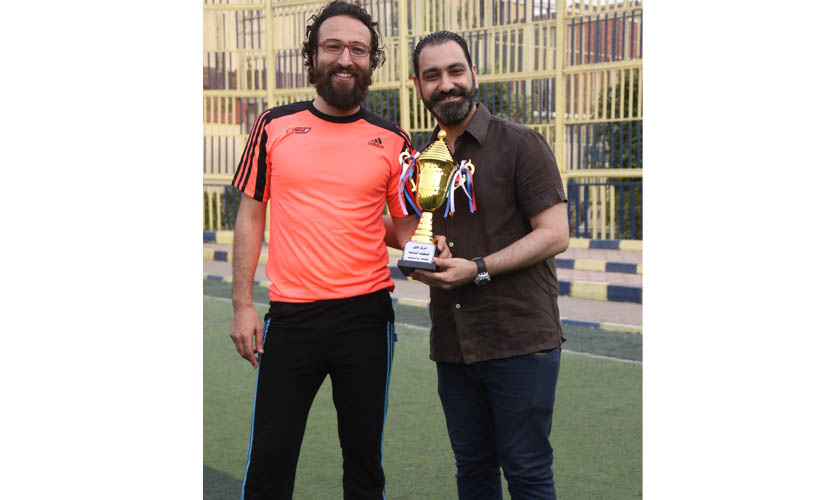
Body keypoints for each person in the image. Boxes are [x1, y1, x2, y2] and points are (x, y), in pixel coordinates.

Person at [228, 2, 423, 498]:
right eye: (333, 46)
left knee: (363, 463)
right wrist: (243, 304)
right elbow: (251, 215)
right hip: (291, 318)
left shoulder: (393, 140)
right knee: (269, 461)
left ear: (372, 61)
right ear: (313, 56)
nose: (345, 58)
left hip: (366, 318)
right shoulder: (273, 125)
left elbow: (406, 230)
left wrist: (440, 239)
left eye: (358, 49)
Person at [407, 31, 570, 499]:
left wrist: (477, 268)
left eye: (455, 71)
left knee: (527, 471)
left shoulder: (520, 143)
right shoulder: (423, 158)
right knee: (473, 470)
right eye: (432, 76)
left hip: (519, 339)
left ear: (474, 74)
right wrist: (425, 258)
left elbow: (554, 234)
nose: (446, 84)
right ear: (418, 86)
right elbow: (423, 230)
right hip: (454, 344)